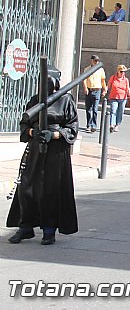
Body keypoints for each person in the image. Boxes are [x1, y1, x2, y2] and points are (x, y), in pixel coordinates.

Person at [7, 64, 79, 245]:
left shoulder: (65, 100)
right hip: (35, 149)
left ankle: (49, 230)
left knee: (50, 191)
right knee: (26, 188)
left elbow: (72, 128)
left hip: (56, 152)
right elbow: (24, 125)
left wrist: (54, 135)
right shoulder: (35, 100)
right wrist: (33, 133)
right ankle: (25, 227)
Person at [82, 55, 107, 133]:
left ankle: (94, 125)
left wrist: (104, 89)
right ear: (91, 60)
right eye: (95, 61)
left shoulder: (101, 70)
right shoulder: (87, 69)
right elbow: (84, 79)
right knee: (88, 109)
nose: (97, 62)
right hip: (89, 90)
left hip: (97, 90)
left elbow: (103, 81)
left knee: (95, 109)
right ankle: (88, 125)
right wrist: (85, 88)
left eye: (98, 61)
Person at [106, 65, 130, 133]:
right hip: (114, 97)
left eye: (124, 72)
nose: (122, 73)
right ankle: (112, 124)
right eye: (121, 71)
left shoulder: (126, 80)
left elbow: (128, 88)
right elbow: (108, 85)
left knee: (120, 112)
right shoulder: (113, 78)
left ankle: (117, 125)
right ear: (118, 71)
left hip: (123, 98)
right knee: (113, 110)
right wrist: (104, 91)